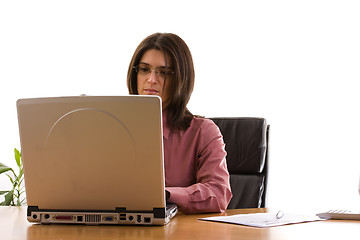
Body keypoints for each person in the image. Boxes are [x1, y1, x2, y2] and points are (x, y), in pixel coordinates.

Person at [127, 33, 232, 214]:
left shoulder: (203, 132)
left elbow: (218, 193)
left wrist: (164, 195)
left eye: (164, 73)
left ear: (180, 80)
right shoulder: (112, 129)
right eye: (144, 69)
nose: (151, 79)